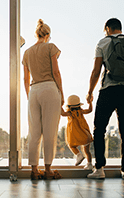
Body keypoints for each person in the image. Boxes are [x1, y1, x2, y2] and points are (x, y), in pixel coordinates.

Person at [86, 18, 124, 179]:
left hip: (108, 90)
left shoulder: (103, 43)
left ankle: (99, 169)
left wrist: (90, 92)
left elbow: (96, 71)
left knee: (99, 129)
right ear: (120, 28)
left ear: (107, 28)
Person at [22, 19, 64, 180]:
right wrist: (61, 94)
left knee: (34, 132)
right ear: (47, 35)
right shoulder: (50, 48)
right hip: (50, 89)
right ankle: (47, 170)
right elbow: (56, 72)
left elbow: (26, 80)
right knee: (50, 132)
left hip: (34, 90)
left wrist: (29, 95)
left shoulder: (27, 52)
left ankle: (34, 170)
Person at [61, 95, 93, 170]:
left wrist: (60, 104)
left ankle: (79, 155)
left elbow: (62, 113)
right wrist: (90, 102)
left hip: (75, 134)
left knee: (71, 146)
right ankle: (89, 164)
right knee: (87, 150)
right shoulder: (81, 111)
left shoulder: (69, 113)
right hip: (84, 133)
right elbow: (89, 110)